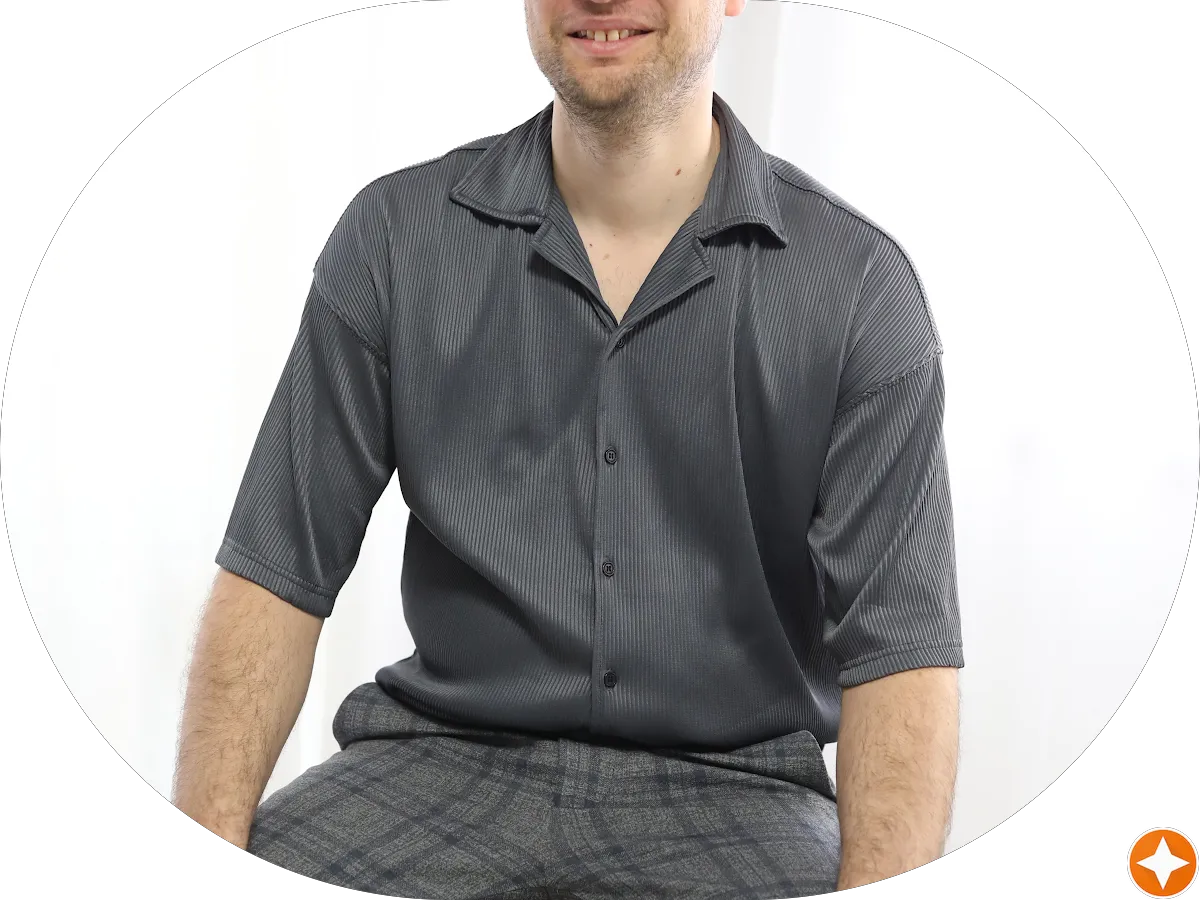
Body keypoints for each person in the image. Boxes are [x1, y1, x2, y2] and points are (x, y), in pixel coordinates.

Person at [172, 1, 964, 897]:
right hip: (432, 766)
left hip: (742, 798)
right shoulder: (394, 238)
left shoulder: (860, 288)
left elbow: (903, 656)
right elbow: (274, 572)